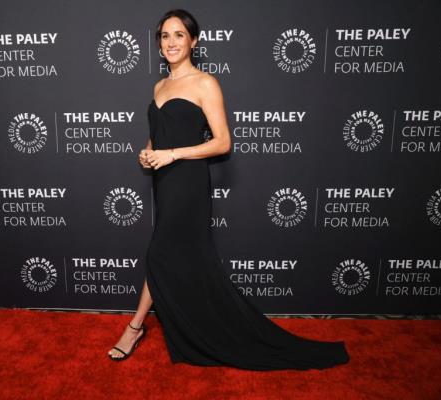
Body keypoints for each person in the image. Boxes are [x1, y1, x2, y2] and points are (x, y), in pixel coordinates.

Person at [108, 9, 350, 371]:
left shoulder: (206, 83)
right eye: (164, 36)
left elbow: (222, 143)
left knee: (158, 254)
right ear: (158, 45)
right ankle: (148, 325)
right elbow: (161, 133)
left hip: (188, 182)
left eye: (179, 35)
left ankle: (134, 328)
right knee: (168, 255)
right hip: (165, 182)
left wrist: (171, 154)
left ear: (194, 41)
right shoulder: (159, 86)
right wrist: (148, 152)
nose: (171, 42)